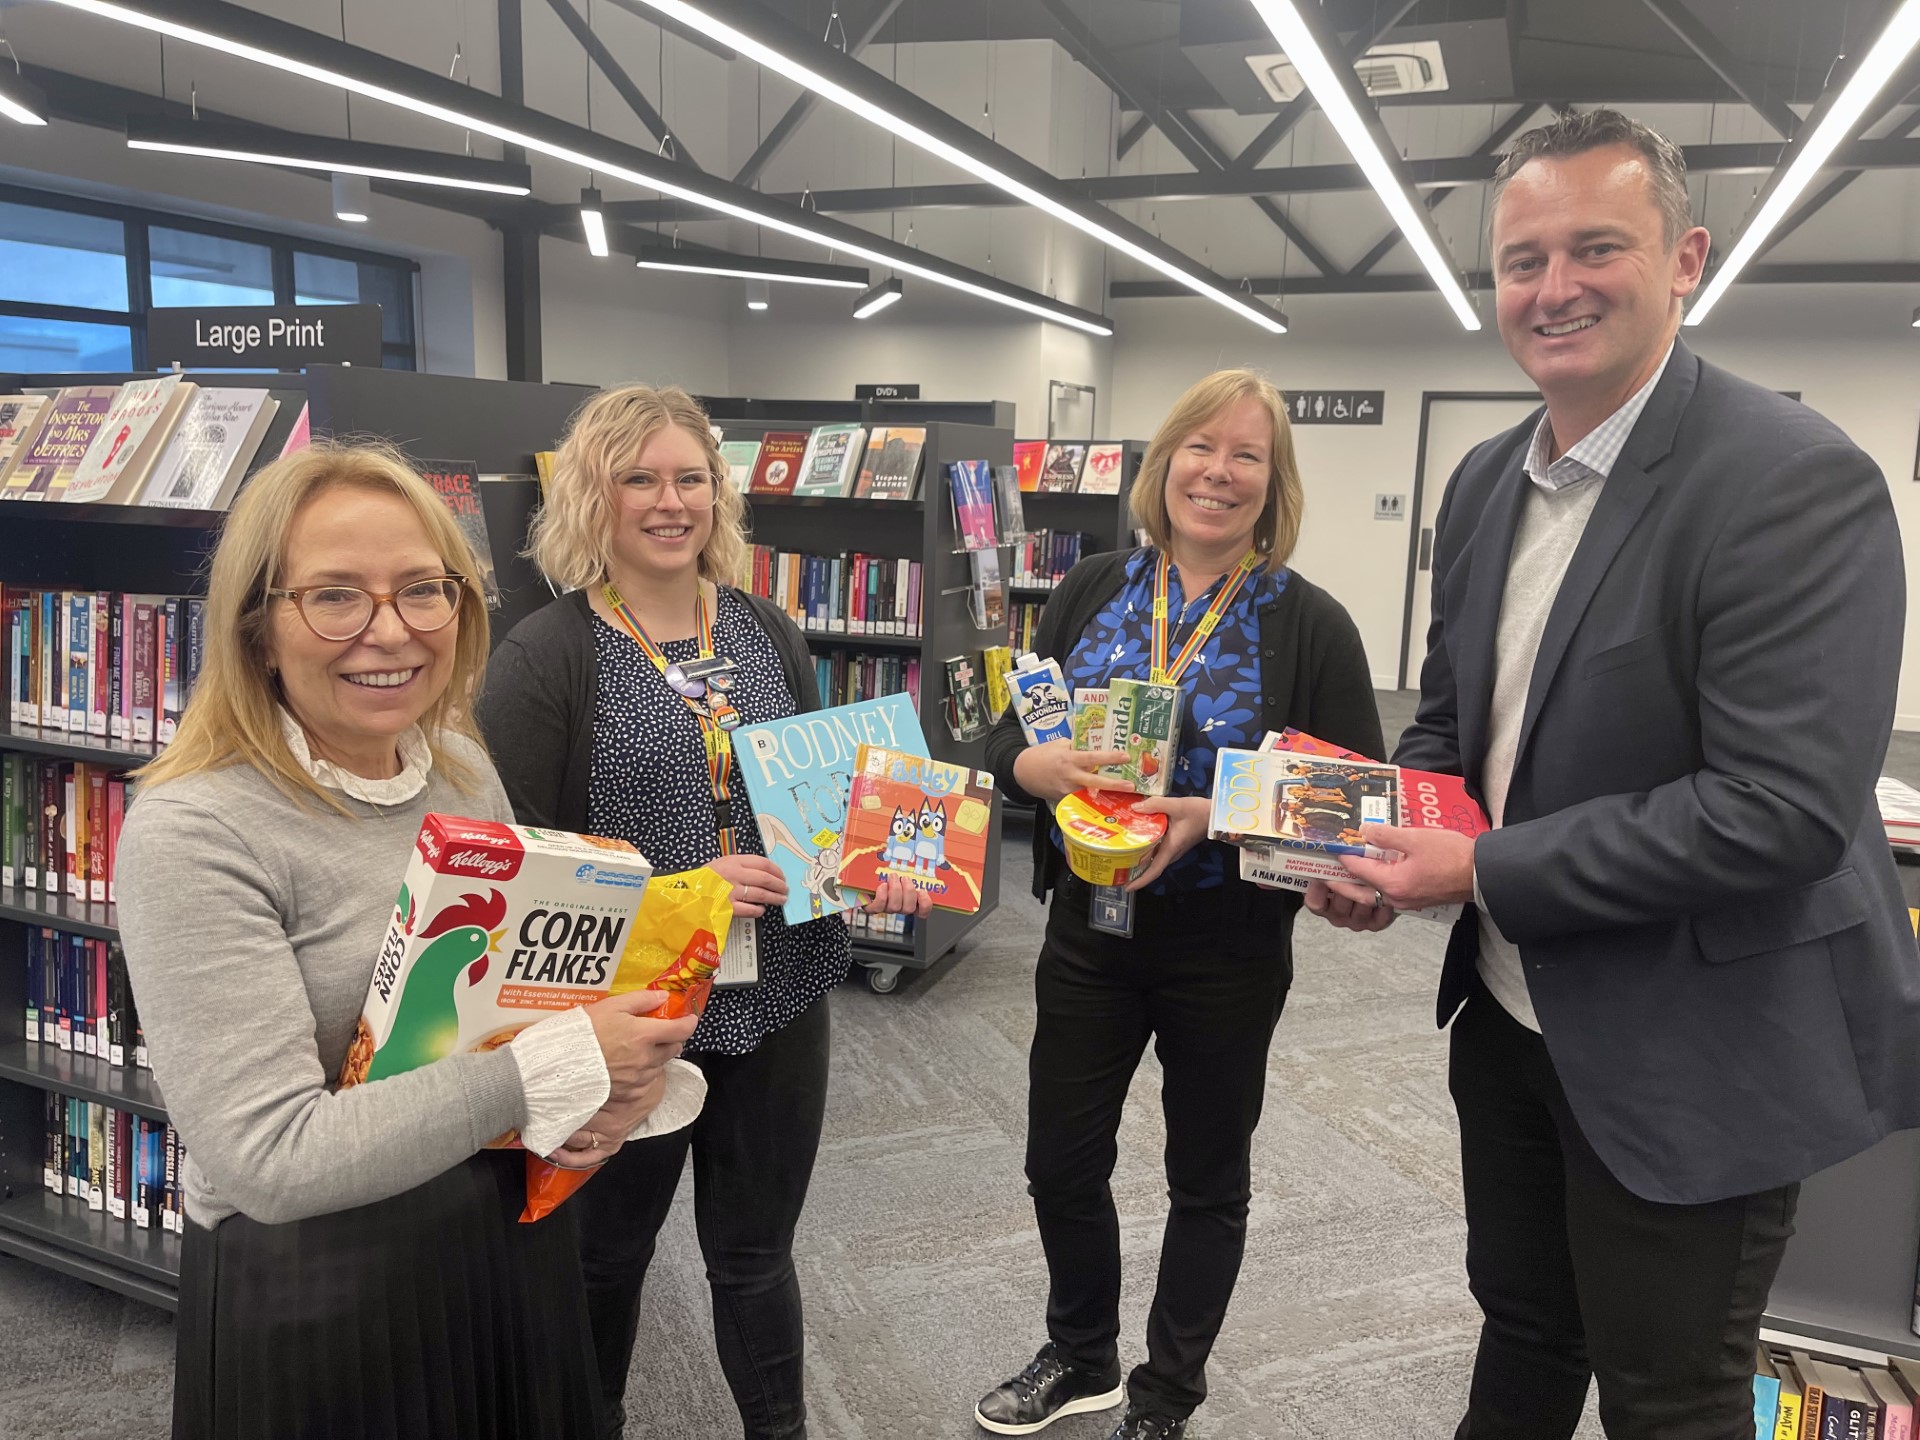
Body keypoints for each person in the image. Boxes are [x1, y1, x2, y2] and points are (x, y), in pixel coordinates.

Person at [1315, 109, 1920, 1438]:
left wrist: (1480, 866)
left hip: (1692, 1042)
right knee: (1526, 1329)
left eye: (1597, 247)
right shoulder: (1483, 484)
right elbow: (1453, 719)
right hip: (1516, 1019)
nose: (1555, 287)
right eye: (1523, 259)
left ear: (1686, 258)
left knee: (1669, 1393)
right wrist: (1386, 839)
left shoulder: (1791, 481)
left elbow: (1783, 810)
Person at [114, 443, 704, 1440]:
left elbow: (502, 1019)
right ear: (259, 628)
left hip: (505, 1238)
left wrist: (600, 1093)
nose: (389, 631)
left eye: (422, 590)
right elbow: (272, 1156)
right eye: (335, 596)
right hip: (325, 1296)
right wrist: (560, 1062)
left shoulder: (461, 768)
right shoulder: (196, 830)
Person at [475, 383, 929, 1440]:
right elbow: (521, 870)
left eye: (689, 477)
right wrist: (682, 892)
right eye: (640, 478)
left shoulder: (767, 628)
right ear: (596, 495)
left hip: (779, 992)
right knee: (606, 1255)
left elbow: (827, 799)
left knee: (756, 1253)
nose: (669, 501)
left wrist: (880, 856)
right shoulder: (546, 656)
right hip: (632, 1011)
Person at [978, 369, 1383, 1440]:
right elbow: (1004, 739)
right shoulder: (1093, 588)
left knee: (1206, 1175)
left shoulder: (1311, 624)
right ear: (1165, 464)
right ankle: (1081, 1352)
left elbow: (1354, 801)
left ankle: (1166, 1395)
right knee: (1058, 1158)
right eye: (1201, 447)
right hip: (1088, 927)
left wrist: (1216, 812)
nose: (1219, 471)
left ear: (1273, 482)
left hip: (1227, 942)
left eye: (1247, 455)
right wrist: (1038, 771)